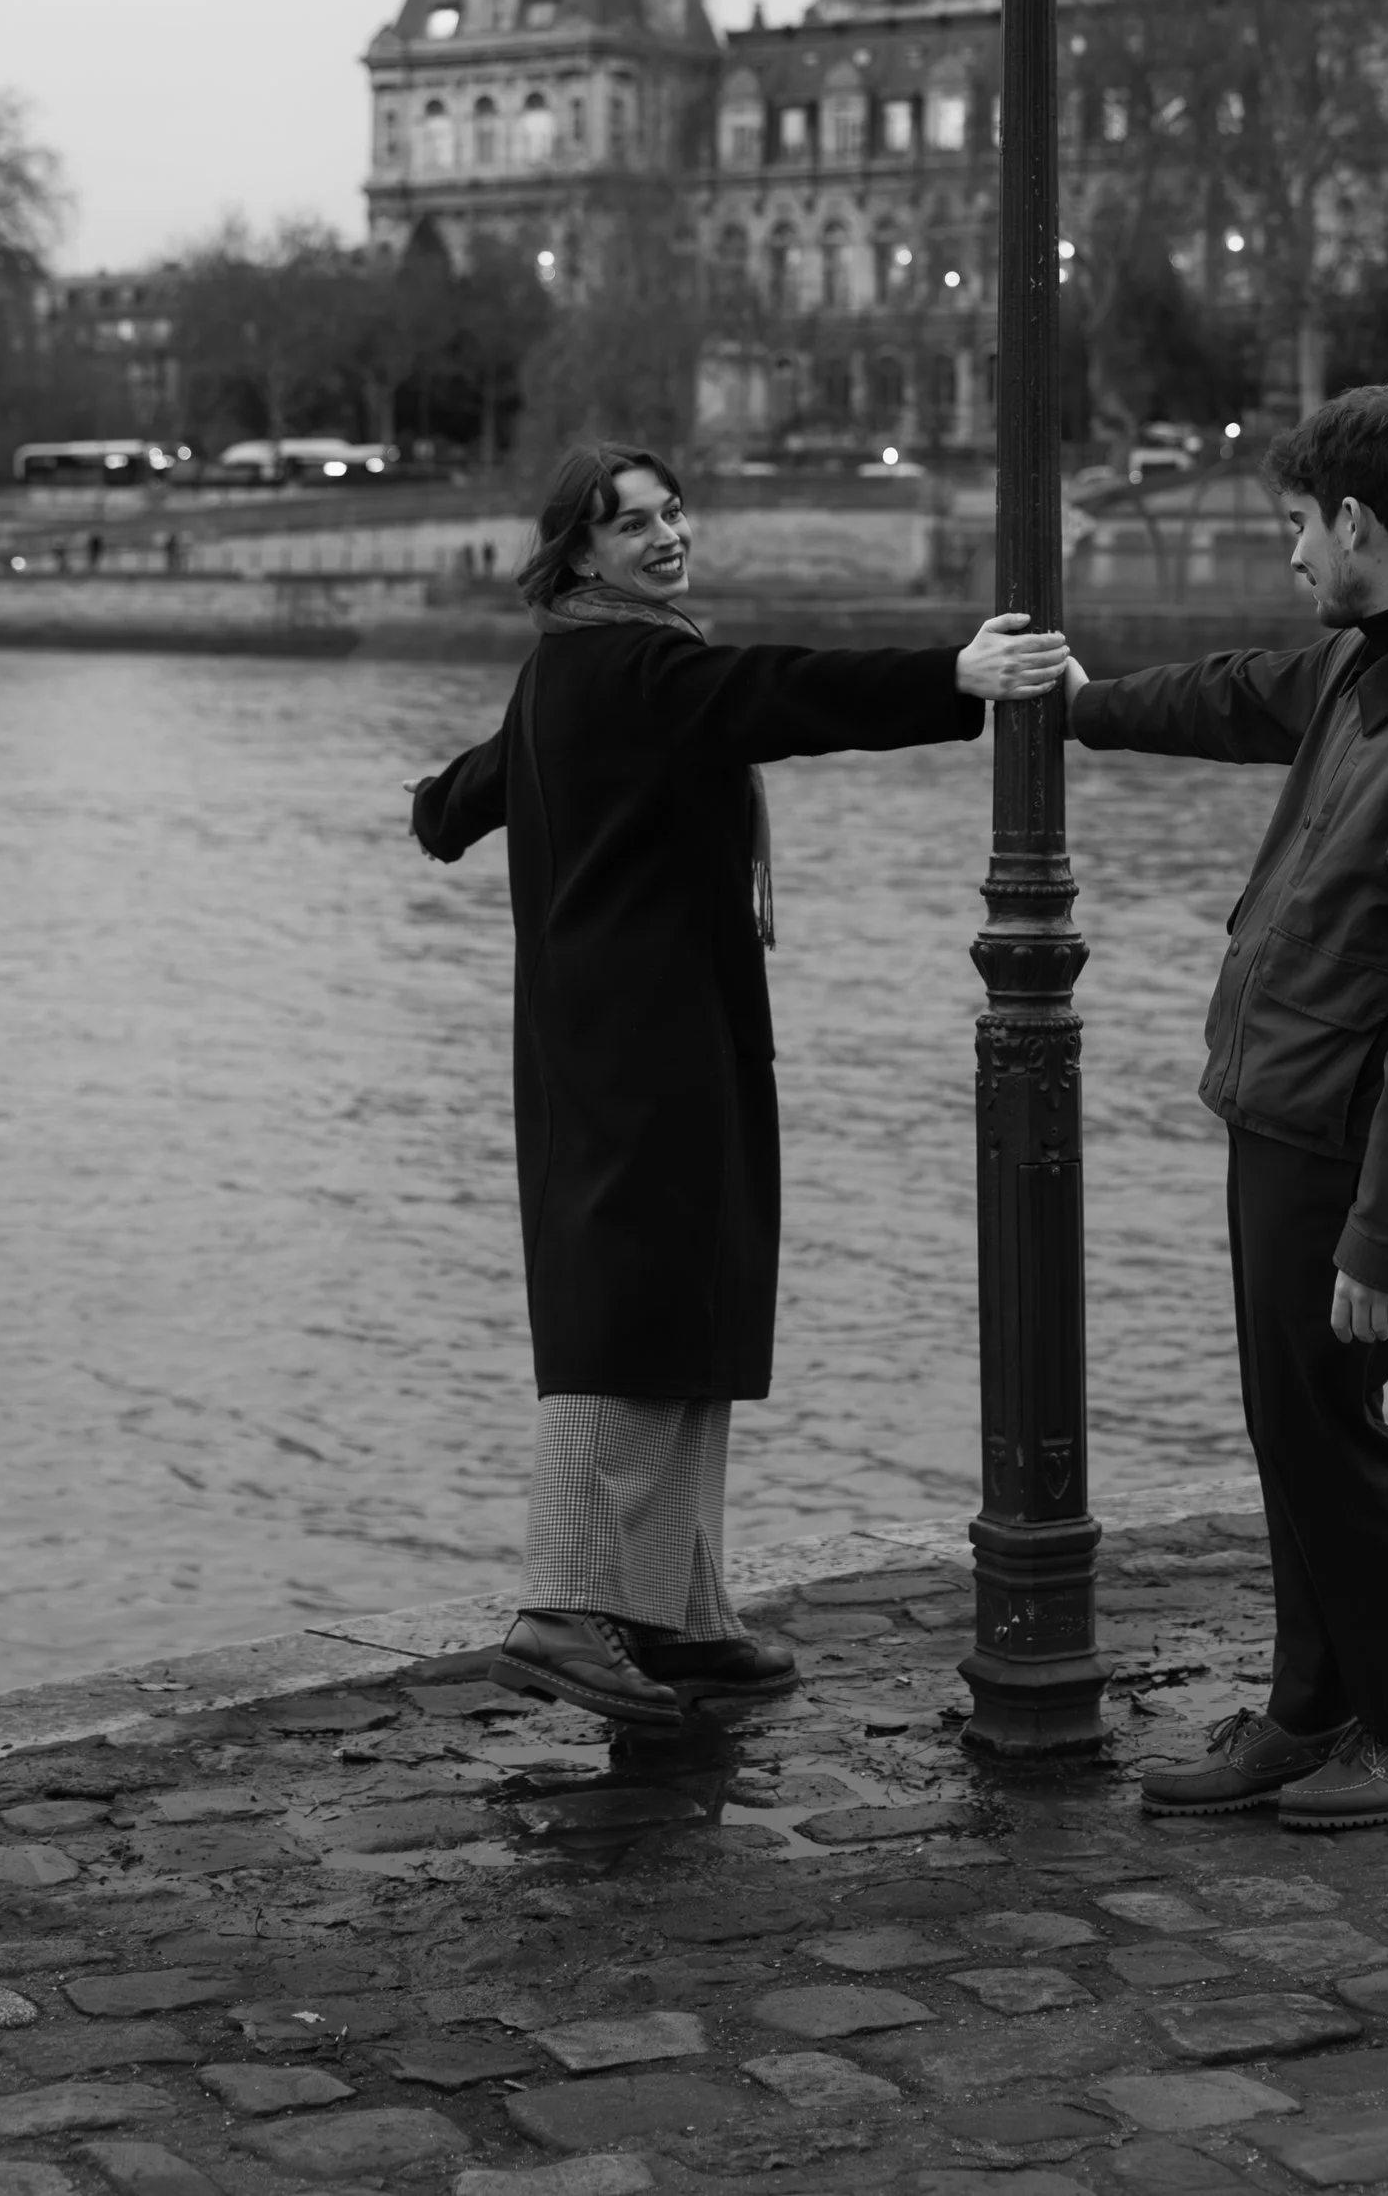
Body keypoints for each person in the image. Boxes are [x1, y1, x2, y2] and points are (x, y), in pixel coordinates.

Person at [411, 437, 1072, 1738]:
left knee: (685, 1303)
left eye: (671, 511)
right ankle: (566, 1605)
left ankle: (673, 1608)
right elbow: (778, 693)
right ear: (578, 553)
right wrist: (954, 675)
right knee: (627, 1310)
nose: (666, 535)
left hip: (637, 1033)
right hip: (644, 1044)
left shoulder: (576, 664)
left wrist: (436, 806)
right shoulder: (640, 667)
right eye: (631, 523)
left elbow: (487, 777)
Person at [1063, 385, 1388, 1830]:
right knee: (1291, 1423)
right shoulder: (1366, 665)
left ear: (1357, 524)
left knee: (1333, 1428)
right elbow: (1233, 696)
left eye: (1296, 525)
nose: (1288, 553)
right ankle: (1311, 1706)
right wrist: (1080, 708)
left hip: (1343, 1137)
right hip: (1285, 1103)